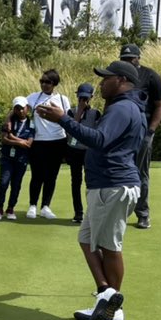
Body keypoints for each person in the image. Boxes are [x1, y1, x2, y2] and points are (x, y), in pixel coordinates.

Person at [35, 60, 146, 320]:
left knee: (109, 246)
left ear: (121, 80)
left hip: (114, 184)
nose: (100, 83)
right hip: (106, 183)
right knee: (86, 239)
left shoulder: (122, 108)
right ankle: (106, 294)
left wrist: (62, 119)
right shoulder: (124, 107)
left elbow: (99, 139)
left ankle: (113, 308)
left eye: (105, 78)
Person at [119, 43, 161, 229]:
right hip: (121, 131)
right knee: (120, 170)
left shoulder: (150, 76)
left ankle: (143, 214)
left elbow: (160, 105)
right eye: (124, 59)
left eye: (131, 58)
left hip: (143, 131)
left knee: (140, 174)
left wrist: (151, 130)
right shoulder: (118, 75)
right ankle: (120, 211)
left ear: (138, 58)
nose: (128, 61)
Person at [26, 69, 70, 220]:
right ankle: (32, 205)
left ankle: (45, 206)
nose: (44, 84)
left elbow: (68, 120)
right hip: (38, 141)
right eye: (42, 81)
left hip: (58, 141)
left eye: (48, 82)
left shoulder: (63, 100)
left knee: (51, 176)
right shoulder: (33, 98)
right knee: (37, 175)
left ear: (54, 84)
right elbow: (18, 110)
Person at [0, 96, 35, 221]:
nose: (20, 111)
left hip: (21, 159)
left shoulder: (31, 123)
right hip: (7, 158)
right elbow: (4, 139)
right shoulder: (9, 121)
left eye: (22, 108)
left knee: (16, 184)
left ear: (27, 108)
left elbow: (29, 143)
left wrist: (13, 137)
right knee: (3, 182)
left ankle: (10, 208)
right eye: (17, 108)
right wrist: (19, 142)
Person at [66, 83, 102, 224]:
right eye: (81, 98)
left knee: (90, 183)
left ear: (91, 97)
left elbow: (98, 133)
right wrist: (79, 112)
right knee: (75, 182)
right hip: (74, 151)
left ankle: (91, 213)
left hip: (89, 152)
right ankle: (78, 213)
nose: (83, 101)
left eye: (86, 98)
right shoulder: (71, 112)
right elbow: (70, 130)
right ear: (77, 96)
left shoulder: (96, 113)